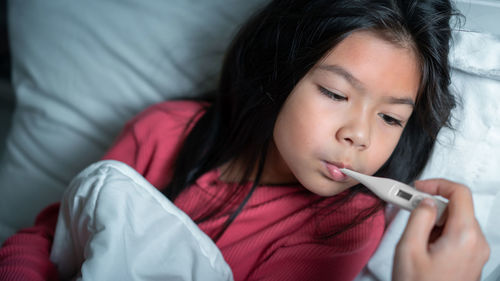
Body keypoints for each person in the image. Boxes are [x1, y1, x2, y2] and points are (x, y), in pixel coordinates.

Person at [0, 0, 490, 280]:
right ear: (279, 72)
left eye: (389, 117)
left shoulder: (345, 227)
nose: (358, 134)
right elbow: (46, 239)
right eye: (335, 93)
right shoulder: (164, 131)